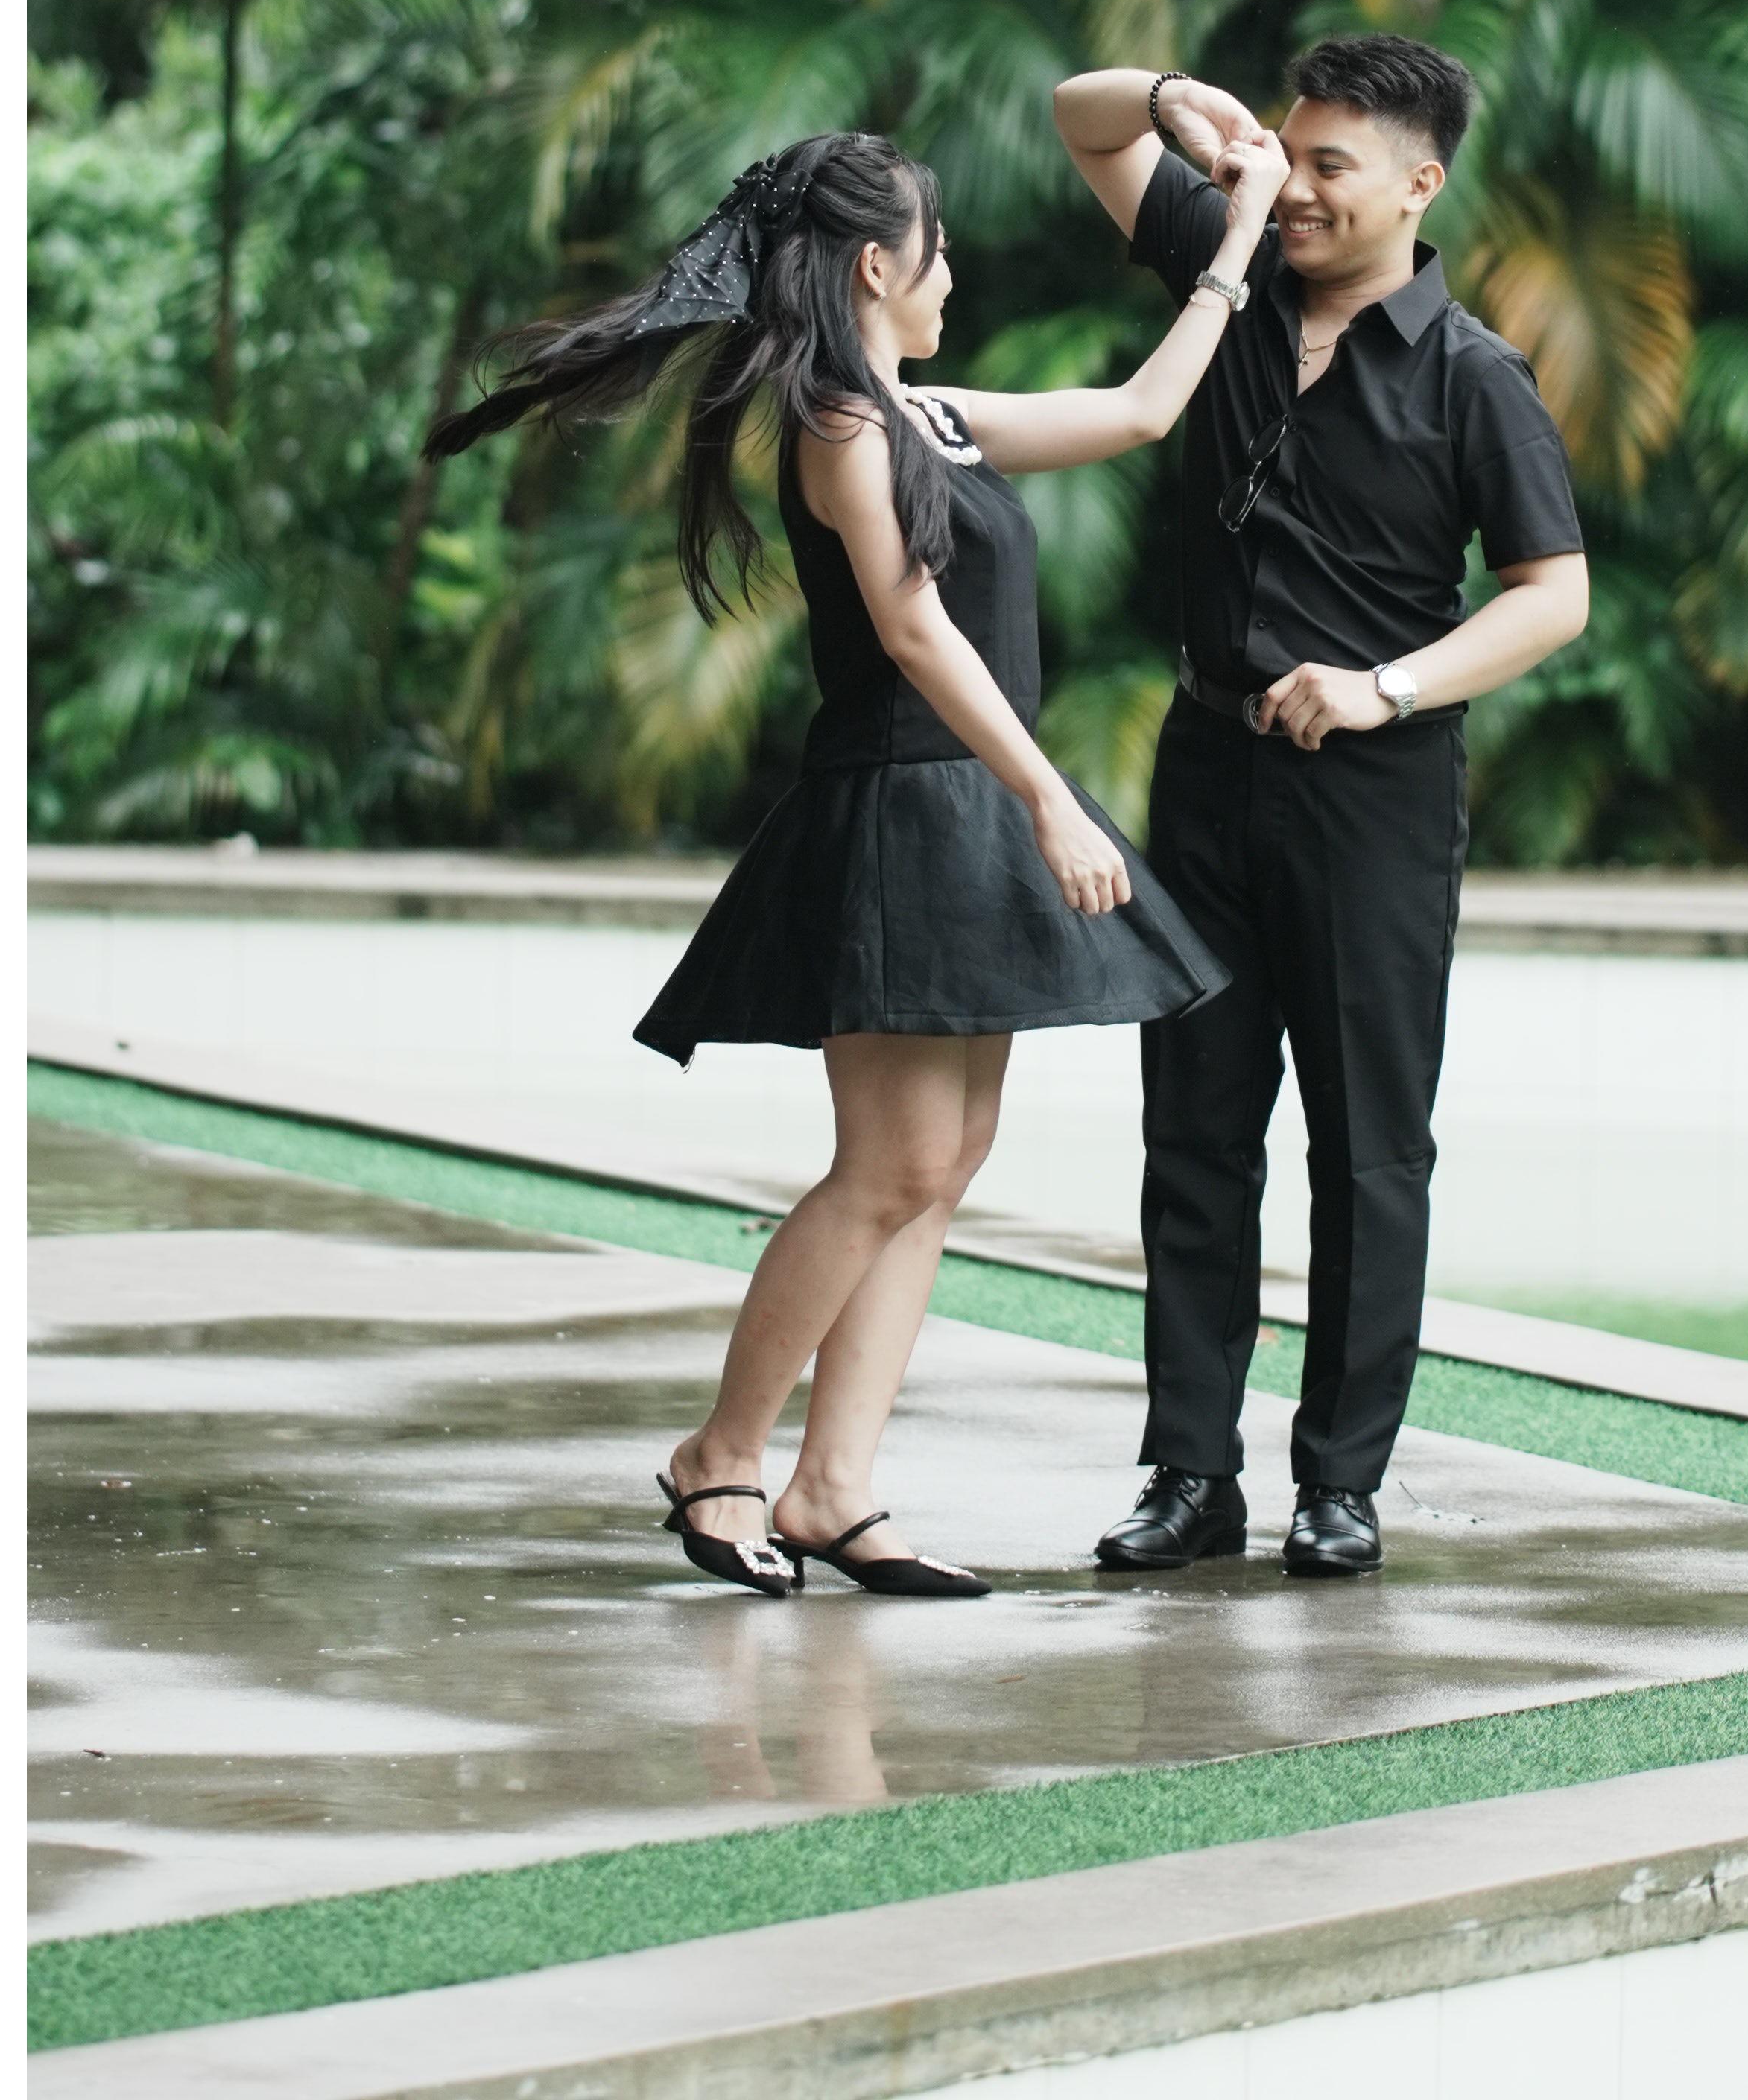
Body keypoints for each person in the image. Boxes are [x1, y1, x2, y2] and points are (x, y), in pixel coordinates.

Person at [424, 125, 1280, 1598]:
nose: (953, 277)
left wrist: (1240, 230)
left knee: (943, 1163)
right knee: (888, 1167)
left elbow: (1144, 412)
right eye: (937, 254)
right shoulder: (839, 422)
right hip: (905, 811)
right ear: (878, 268)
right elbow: (910, 625)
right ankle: (720, 1456)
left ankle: (833, 1487)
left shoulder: (929, 414)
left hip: (971, 808)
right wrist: (1049, 799)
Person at [1049, 39, 1590, 1579]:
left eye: (1328, 166)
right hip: (1205, 769)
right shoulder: (1229, 269)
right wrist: (1187, 111)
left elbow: (1554, 596)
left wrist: (1386, 688)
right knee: (1194, 1132)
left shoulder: (1475, 377)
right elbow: (1081, 121)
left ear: (1421, 185)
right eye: (1288, 157)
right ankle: (1190, 1475)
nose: (1293, 189)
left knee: (1368, 1150)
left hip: (1375, 795)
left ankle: (1340, 1485)